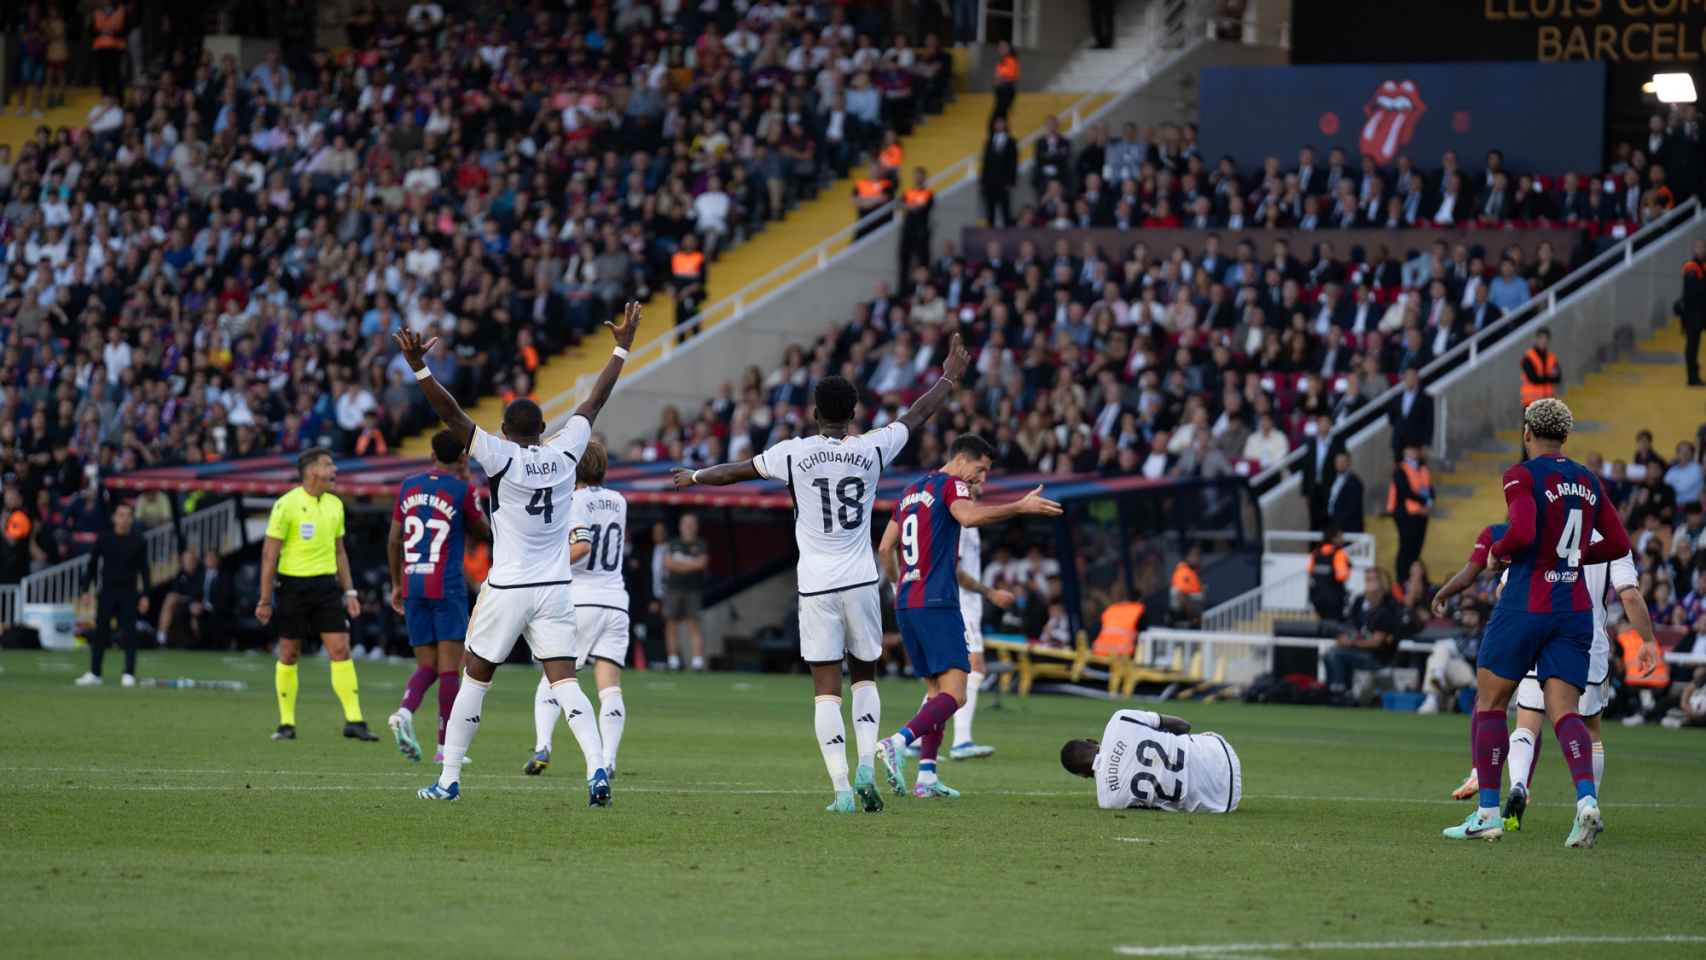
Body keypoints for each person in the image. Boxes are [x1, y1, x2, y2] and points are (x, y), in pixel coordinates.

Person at [672, 334, 971, 813]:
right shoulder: (873, 449)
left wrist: (695, 476)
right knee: (866, 679)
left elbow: (736, 472)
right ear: (854, 414)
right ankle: (868, 768)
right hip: (860, 581)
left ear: (814, 412)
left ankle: (841, 791)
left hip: (815, 586)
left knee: (825, 691)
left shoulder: (794, 452)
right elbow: (916, 416)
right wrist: (948, 377)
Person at [400, 301, 641, 806]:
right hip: (555, 587)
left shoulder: (499, 454)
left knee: (475, 674)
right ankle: (597, 769)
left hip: (508, 585)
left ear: (507, 432)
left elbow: (451, 414)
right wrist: (621, 345)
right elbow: (595, 402)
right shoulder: (565, 451)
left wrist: (419, 366)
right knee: (565, 682)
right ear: (544, 429)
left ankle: (448, 781)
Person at [1442, 398, 1631, 847]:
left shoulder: (1520, 474)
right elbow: (1620, 541)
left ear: (1528, 432)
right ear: (1565, 436)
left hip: (1527, 604)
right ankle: (1586, 800)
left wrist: (1498, 550)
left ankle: (1488, 812)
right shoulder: (1587, 479)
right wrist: (1580, 554)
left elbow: (1523, 532)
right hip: (1573, 609)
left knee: (1491, 704)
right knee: (1566, 713)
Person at [873, 435, 1063, 799]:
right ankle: (897, 742)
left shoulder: (911, 490)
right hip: (939, 602)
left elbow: (885, 546)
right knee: (957, 695)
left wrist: (900, 582)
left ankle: (927, 775)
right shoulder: (951, 484)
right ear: (962, 459)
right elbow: (969, 516)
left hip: (907, 603)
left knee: (935, 693)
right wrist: (1019, 507)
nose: (981, 478)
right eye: (981, 469)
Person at [1434, 521, 1658, 825]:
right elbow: (1629, 594)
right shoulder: (1613, 543)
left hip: (1538, 633)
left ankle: (1518, 785)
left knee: (1526, 724)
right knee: (1588, 730)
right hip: (1587, 643)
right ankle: (1587, 804)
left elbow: (1505, 588)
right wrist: (1646, 640)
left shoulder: (1548, 530)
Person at [257, 448, 377, 743]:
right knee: (289, 653)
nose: (334, 469)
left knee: (340, 650)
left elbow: (339, 551)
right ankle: (286, 723)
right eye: (328, 464)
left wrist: (349, 591)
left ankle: (354, 720)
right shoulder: (286, 505)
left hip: (325, 587)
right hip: (292, 587)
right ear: (311, 471)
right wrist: (264, 598)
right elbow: (269, 556)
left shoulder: (335, 505)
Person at [529, 440, 632, 779]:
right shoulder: (619, 501)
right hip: (616, 601)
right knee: (610, 686)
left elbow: (581, 547)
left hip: (582, 598)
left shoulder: (574, 500)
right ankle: (610, 758)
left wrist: (548, 562)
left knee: (553, 677)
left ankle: (543, 745)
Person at [384, 430, 488, 764]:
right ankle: (444, 748)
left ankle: (404, 711)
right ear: (462, 458)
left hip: (413, 582)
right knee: (448, 669)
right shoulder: (462, 489)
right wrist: (469, 486)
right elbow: (485, 532)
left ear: (431, 455)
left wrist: (397, 583)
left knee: (426, 665)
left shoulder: (408, 486)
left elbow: (393, 540)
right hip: (447, 586)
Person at [1059, 709, 1241, 813]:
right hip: (1222, 752)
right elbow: (1183, 725)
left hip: (1222, 801)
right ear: (1091, 741)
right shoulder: (1119, 720)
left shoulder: (1108, 801)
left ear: (1083, 775)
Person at [949, 480, 1015, 760]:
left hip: (966, 603)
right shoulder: (961, 519)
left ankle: (916, 739)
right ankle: (961, 740)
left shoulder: (970, 518)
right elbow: (954, 569)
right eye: (979, 473)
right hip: (962, 602)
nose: (983, 481)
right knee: (974, 667)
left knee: (948, 673)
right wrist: (990, 592)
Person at [73, 502, 149, 688]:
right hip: (107, 591)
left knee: (129, 633)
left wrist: (145, 595)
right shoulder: (105, 538)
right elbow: (92, 565)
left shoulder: (139, 540)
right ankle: (95, 673)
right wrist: (85, 590)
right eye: (121, 515)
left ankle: (129, 673)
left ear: (132, 519)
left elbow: (144, 570)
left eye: (128, 515)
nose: (124, 519)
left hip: (129, 592)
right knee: (100, 633)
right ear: (114, 517)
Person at [662, 514, 708, 671]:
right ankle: (673, 660)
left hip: (693, 590)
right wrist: (689, 564)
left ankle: (697, 661)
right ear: (680, 526)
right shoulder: (673, 543)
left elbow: (701, 564)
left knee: (693, 624)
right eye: (685, 524)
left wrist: (679, 565)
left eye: (691, 524)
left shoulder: (700, 544)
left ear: (696, 526)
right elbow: (668, 564)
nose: (688, 527)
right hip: (673, 589)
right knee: (671, 624)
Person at [1387, 442, 1432, 583]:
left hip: (1420, 514)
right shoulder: (1401, 469)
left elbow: (1429, 488)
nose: (1414, 452)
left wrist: (1430, 501)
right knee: (1406, 547)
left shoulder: (1423, 468)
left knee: (1416, 548)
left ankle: (1413, 578)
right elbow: (1405, 491)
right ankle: (1402, 578)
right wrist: (1424, 501)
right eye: (1411, 449)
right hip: (1406, 514)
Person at [897, 167, 934, 288]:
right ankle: (903, 288)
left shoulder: (928, 193)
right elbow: (899, 204)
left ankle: (924, 287)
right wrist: (910, 205)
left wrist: (908, 205)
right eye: (916, 175)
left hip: (921, 231)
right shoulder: (908, 192)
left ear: (924, 178)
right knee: (904, 262)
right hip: (907, 230)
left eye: (920, 175)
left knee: (922, 261)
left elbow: (919, 208)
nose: (917, 178)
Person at [980, 116, 1018, 228]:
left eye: (1001, 123)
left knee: (1005, 209)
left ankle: (1007, 233)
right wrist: (983, 181)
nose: (999, 125)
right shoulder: (989, 141)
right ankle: (990, 233)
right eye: (997, 123)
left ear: (1006, 125)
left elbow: (1013, 163)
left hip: (1004, 182)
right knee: (989, 210)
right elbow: (985, 163)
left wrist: (1011, 181)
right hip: (990, 181)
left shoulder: (1011, 142)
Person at [1306, 526, 1351, 624]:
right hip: (1334, 599)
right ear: (1333, 538)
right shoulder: (1339, 554)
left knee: (1323, 624)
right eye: (1340, 537)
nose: (1343, 539)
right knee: (1334, 627)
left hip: (1317, 598)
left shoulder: (1316, 553)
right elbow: (1342, 576)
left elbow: (1309, 571)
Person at [1682, 240, 1706, 386]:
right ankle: (1692, 377)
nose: (1701, 250)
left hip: (1701, 312)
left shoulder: (1703, 266)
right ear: (1694, 250)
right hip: (1693, 314)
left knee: (1694, 346)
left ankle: (1694, 376)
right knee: (1692, 346)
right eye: (1698, 248)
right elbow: (1694, 291)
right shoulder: (1691, 267)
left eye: (1703, 247)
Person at [1519, 328, 1561, 409]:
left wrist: (1542, 377)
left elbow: (1558, 378)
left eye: (1546, 338)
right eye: (1541, 338)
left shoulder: (1551, 357)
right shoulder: (1528, 357)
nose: (1543, 341)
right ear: (1536, 339)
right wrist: (1549, 377)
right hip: (1531, 403)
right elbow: (1533, 378)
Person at [1326, 451, 1365, 534]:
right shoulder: (1332, 480)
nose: (1340, 464)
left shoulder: (1355, 482)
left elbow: (1351, 508)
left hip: (1348, 529)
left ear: (1348, 463)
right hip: (1333, 526)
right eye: (1337, 462)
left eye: (1342, 462)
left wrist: (1339, 526)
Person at [991, 41, 1019, 123]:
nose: (1000, 49)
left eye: (1003, 47)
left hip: (1006, 91)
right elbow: (996, 77)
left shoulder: (1011, 61)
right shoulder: (1001, 62)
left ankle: (1001, 134)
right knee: (1000, 117)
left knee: (998, 117)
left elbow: (1011, 77)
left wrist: (1000, 79)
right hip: (1001, 91)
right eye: (999, 47)